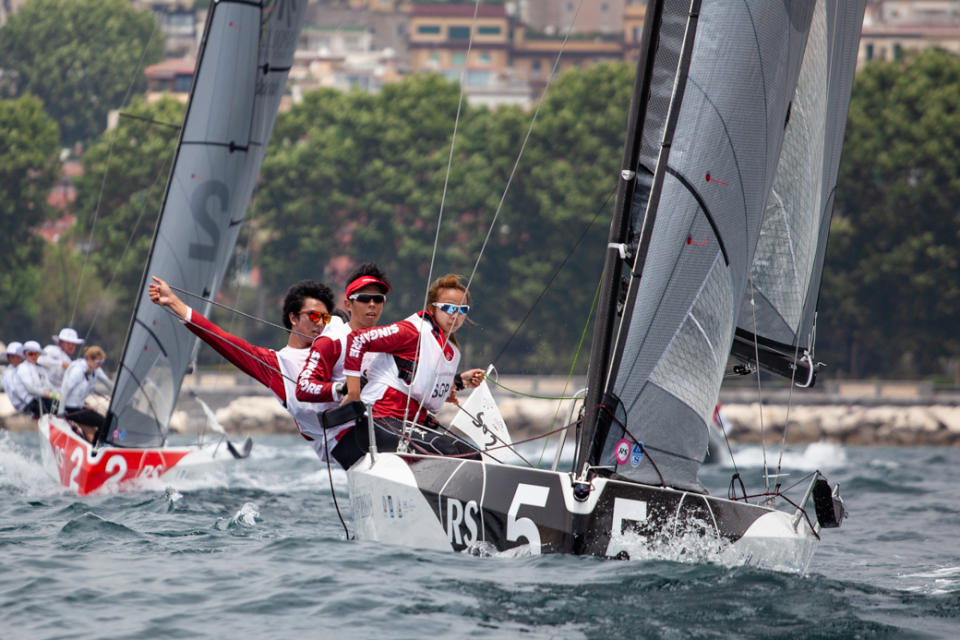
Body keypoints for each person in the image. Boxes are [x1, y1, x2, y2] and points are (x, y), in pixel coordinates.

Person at [148, 276, 342, 450]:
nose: (320, 323)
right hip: (337, 448)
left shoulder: (334, 347)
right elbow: (220, 338)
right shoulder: (275, 364)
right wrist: (173, 302)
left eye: (325, 318)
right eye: (314, 316)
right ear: (293, 318)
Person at [337, 274, 485, 469]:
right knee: (450, 454)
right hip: (379, 422)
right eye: (448, 308)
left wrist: (458, 382)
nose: (455, 315)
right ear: (433, 308)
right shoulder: (412, 331)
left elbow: (421, 385)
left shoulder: (447, 347)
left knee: (473, 455)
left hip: (406, 424)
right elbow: (357, 340)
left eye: (462, 310)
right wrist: (354, 393)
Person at [295, 263, 392, 462]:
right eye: (364, 299)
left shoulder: (386, 342)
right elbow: (302, 388)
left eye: (378, 299)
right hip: (342, 434)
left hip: (380, 428)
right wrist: (341, 388)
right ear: (348, 304)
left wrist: (456, 381)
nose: (372, 304)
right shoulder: (331, 342)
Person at [58, 345, 113, 442]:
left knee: (103, 421)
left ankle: (95, 442)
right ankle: (96, 447)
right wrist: (61, 412)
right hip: (69, 409)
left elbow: (109, 384)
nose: (100, 365)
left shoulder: (95, 370)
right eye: (98, 362)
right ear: (89, 359)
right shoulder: (78, 370)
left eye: (102, 363)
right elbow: (65, 390)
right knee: (104, 423)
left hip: (80, 407)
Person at [16, 340, 58, 417]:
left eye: (36, 353)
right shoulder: (22, 368)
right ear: (25, 354)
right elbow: (30, 389)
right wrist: (50, 395)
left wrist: (58, 395)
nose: (33, 356)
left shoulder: (40, 368)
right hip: (30, 402)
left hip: (42, 399)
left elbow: (48, 385)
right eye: (30, 354)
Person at [2, 342, 33, 415]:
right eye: (10, 356)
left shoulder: (26, 368)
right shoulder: (8, 374)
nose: (12, 359)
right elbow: (15, 391)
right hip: (26, 407)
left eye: (15, 356)